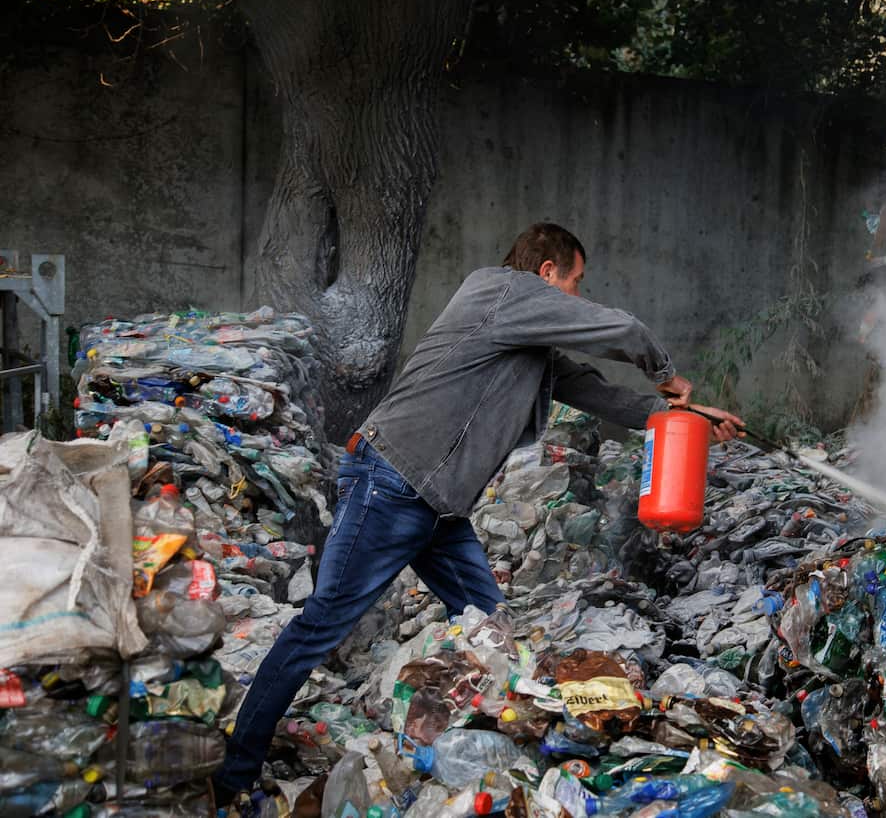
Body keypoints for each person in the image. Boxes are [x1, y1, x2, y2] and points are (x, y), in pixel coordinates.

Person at [213, 222, 743, 800]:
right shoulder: (501, 290)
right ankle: (233, 777)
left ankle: (495, 765)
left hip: (437, 507)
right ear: (547, 272)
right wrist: (666, 374)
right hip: (392, 484)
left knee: (493, 633)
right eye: (576, 282)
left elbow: (594, 391)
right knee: (319, 628)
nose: (577, 296)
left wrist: (685, 418)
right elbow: (622, 329)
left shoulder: (526, 340)